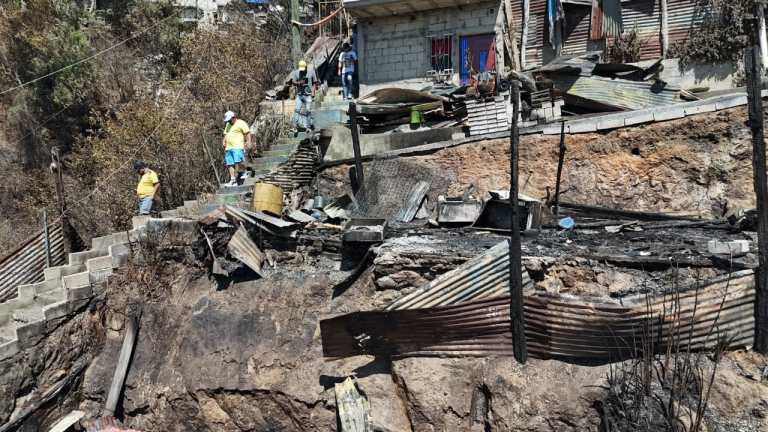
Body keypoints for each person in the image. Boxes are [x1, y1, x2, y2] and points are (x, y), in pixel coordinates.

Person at [222, 110, 252, 186]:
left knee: (238, 161)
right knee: (229, 163)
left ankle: (246, 171)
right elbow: (226, 134)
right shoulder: (228, 125)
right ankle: (232, 180)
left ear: (233, 117)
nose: (228, 122)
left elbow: (247, 133)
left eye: (229, 120)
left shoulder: (241, 123)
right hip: (229, 147)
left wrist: (248, 142)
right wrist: (224, 141)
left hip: (237, 146)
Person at [289, 60, 318, 133]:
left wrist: (313, 91)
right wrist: (298, 83)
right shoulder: (296, 72)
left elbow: (315, 82)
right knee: (297, 110)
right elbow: (293, 82)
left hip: (308, 95)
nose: (302, 70)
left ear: (306, 67)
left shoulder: (311, 71)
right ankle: (294, 127)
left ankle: (308, 127)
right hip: (299, 95)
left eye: (303, 69)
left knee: (308, 111)